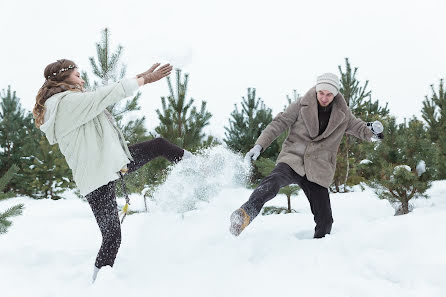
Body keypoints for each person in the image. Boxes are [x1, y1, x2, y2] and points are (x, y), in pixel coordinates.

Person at [33, 59, 192, 282]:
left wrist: (140, 76)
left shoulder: (70, 100)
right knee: (112, 237)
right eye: (78, 75)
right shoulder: (65, 103)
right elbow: (103, 96)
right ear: (63, 77)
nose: (82, 78)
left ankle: (196, 165)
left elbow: (99, 96)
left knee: (159, 145)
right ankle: (98, 284)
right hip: (96, 177)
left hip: (112, 164)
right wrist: (144, 79)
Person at [229, 73, 384, 238]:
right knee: (272, 182)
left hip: (319, 168)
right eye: (321, 93)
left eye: (329, 94)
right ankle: (245, 214)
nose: (324, 97)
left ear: (335, 94)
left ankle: (319, 251)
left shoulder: (343, 114)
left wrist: (374, 131)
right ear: (317, 90)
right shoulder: (301, 105)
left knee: (325, 222)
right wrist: (259, 146)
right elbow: (279, 123)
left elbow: (360, 128)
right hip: (293, 159)